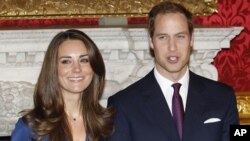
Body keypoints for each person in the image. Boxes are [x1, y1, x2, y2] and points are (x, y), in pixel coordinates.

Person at [106, 1, 239, 141]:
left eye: (180, 36)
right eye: (163, 37)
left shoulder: (223, 97)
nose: (172, 47)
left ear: (191, 40)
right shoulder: (123, 105)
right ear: (151, 42)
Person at [11, 29, 114, 141]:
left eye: (84, 60)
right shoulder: (29, 128)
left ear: (94, 67)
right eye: (66, 61)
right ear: (53, 69)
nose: (77, 69)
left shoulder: (108, 124)